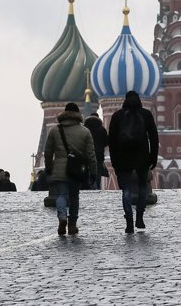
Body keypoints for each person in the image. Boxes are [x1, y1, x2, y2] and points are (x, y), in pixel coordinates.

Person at [108, 90, 159, 233]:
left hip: (123, 158)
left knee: (126, 189)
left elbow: (111, 141)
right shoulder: (146, 115)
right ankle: (140, 217)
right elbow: (154, 138)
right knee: (143, 187)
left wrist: (114, 161)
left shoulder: (117, 116)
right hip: (142, 157)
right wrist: (153, 157)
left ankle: (129, 220)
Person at [44, 102, 97, 236]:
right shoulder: (85, 131)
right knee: (74, 197)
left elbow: (48, 151)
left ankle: (62, 217)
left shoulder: (55, 130)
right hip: (76, 170)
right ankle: (72, 225)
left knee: (61, 195)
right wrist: (93, 171)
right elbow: (91, 154)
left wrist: (49, 167)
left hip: (60, 168)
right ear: (78, 115)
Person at [84, 112, 108, 190]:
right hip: (99, 155)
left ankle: (88, 186)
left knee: (87, 171)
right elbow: (105, 142)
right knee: (98, 172)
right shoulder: (102, 129)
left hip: (87, 155)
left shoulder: (84, 129)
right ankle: (96, 186)